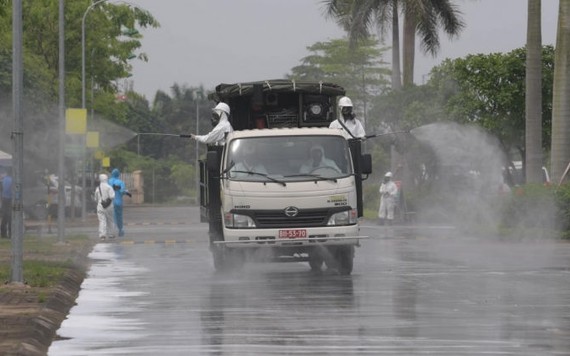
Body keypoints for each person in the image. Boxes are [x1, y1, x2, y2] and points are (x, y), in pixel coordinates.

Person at [108, 168, 132, 237]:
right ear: (118, 174)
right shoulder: (121, 182)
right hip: (118, 202)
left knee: (111, 217)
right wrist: (126, 192)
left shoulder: (108, 182)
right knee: (119, 217)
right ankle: (120, 230)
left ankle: (111, 232)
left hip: (110, 202)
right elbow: (122, 191)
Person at [94, 173, 116, 240]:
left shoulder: (98, 188)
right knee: (110, 220)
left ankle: (102, 235)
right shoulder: (109, 187)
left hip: (100, 206)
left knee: (102, 220)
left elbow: (96, 198)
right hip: (109, 206)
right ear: (106, 179)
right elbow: (112, 196)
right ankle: (111, 234)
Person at [0, 167, 12, 239]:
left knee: (4, 217)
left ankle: (3, 234)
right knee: (11, 217)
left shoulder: (2, 180)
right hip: (11, 200)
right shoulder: (13, 180)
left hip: (4, 200)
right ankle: (11, 234)